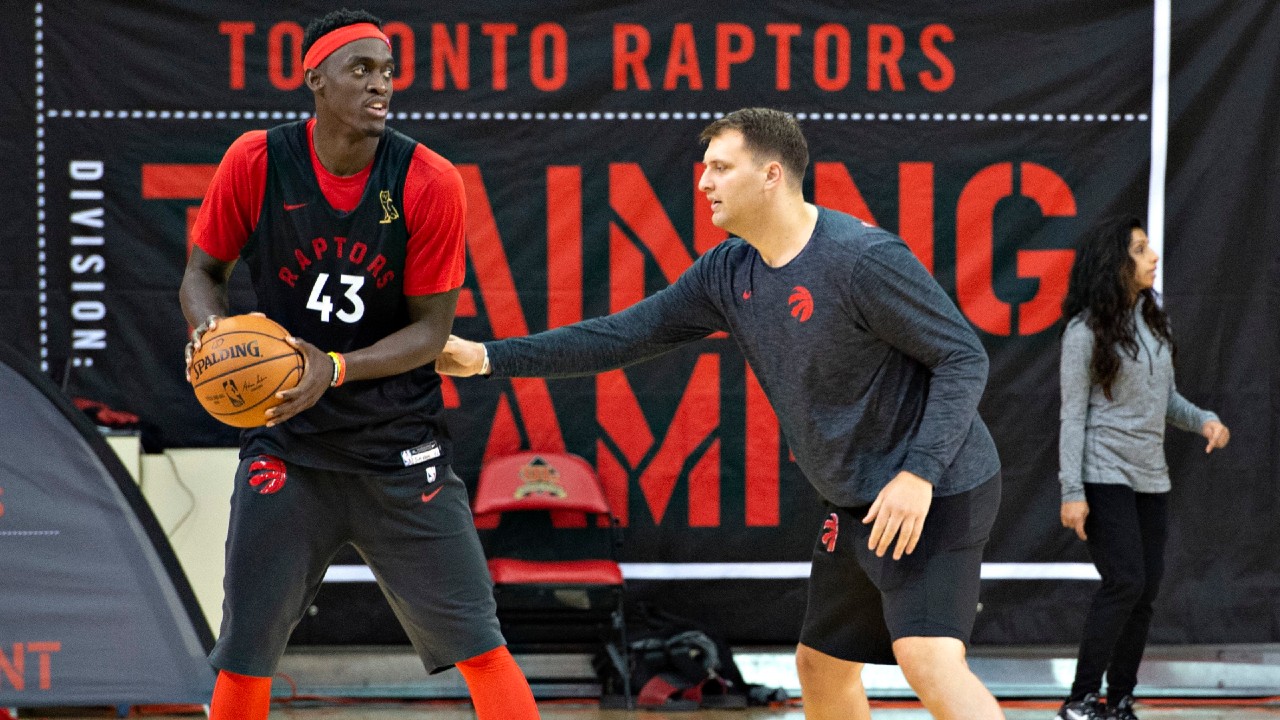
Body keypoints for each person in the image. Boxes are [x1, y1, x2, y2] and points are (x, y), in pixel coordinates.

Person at [436, 107, 1005, 720]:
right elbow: (621, 336)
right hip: (856, 500)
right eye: (704, 168)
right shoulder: (728, 272)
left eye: (719, 167)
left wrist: (918, 475)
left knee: (926, 659)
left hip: (936, 486)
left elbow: (962, 357)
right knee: (821, 666)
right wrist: (487, 358)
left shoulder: (861, 259)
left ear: (771, 174)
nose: (703, 181)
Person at [178, 10, 540, 720]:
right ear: (316, 78)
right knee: (245, 650)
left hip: (397, 448)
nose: (382, 85)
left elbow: (432, 332)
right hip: (288, 443)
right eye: (362, 69)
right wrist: (210, 333)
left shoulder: (427, 179)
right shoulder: (257, 161)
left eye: (388, 72)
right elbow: (201, 271)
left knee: (481, 644)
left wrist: (334, 369)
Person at [1054, 216, 1229, 720]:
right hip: (1103, 474)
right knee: (1125, 581)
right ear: (1116, 263)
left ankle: (1120, 697)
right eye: (1140, 249)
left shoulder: (1155, 324)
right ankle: (1080, 699)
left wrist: (1205, 422)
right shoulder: (1084, 332)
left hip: (1152, 477)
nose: (1153, 256)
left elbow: (1165, 400)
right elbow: (1072, 415)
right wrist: (1072, 491)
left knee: (1146, 591)